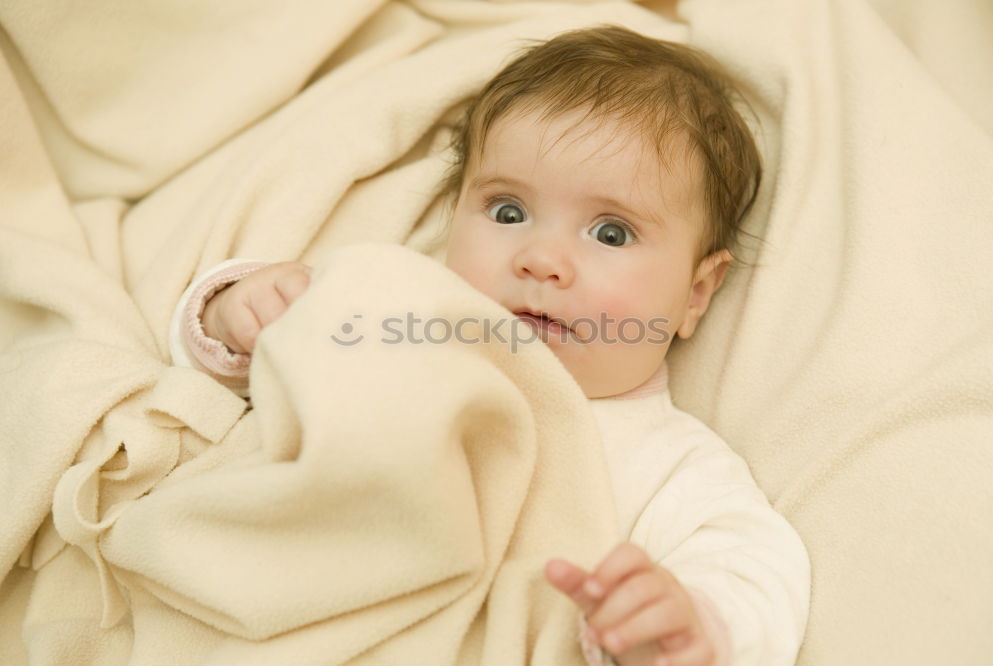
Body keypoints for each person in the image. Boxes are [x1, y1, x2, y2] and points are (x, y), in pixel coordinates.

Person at [170, 26, 810, 666]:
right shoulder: (401, 323)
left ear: (695, 294)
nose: (541, 259)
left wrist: (684, 626)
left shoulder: (672, 465)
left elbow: (756, 574)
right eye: (508, 213)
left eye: (611, 233)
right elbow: (237, 387)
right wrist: (236, 315)